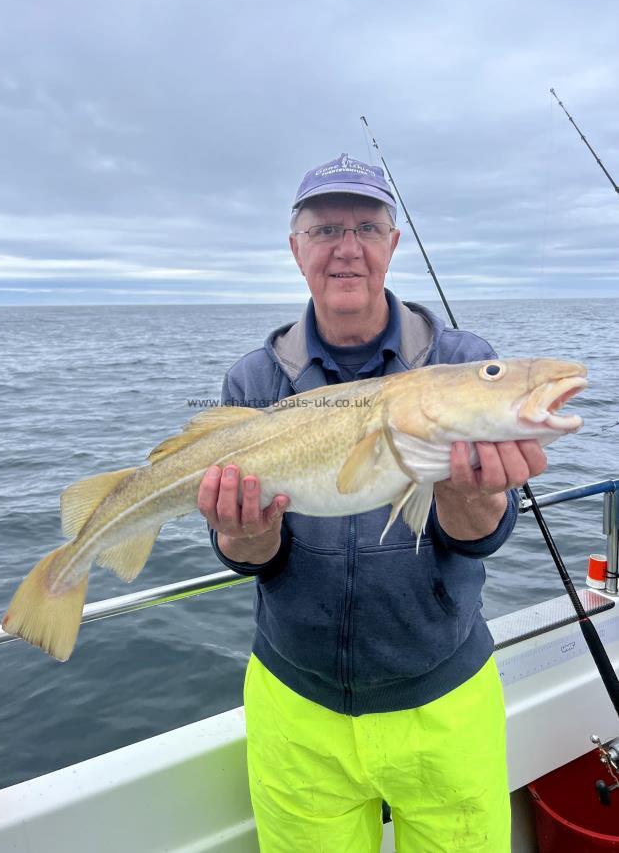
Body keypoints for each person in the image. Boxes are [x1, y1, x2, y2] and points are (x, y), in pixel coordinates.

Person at [197, 154, 547, 853]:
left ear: (393, 243)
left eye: (366, 226)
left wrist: (472, 496)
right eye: (325, 230)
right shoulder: (255, 377)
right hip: (294, 704)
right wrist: (243, 536)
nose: (346, 248)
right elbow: (251, 556)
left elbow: (480, 534)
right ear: (295, 249)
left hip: (444, 698)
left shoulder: (459, 359)